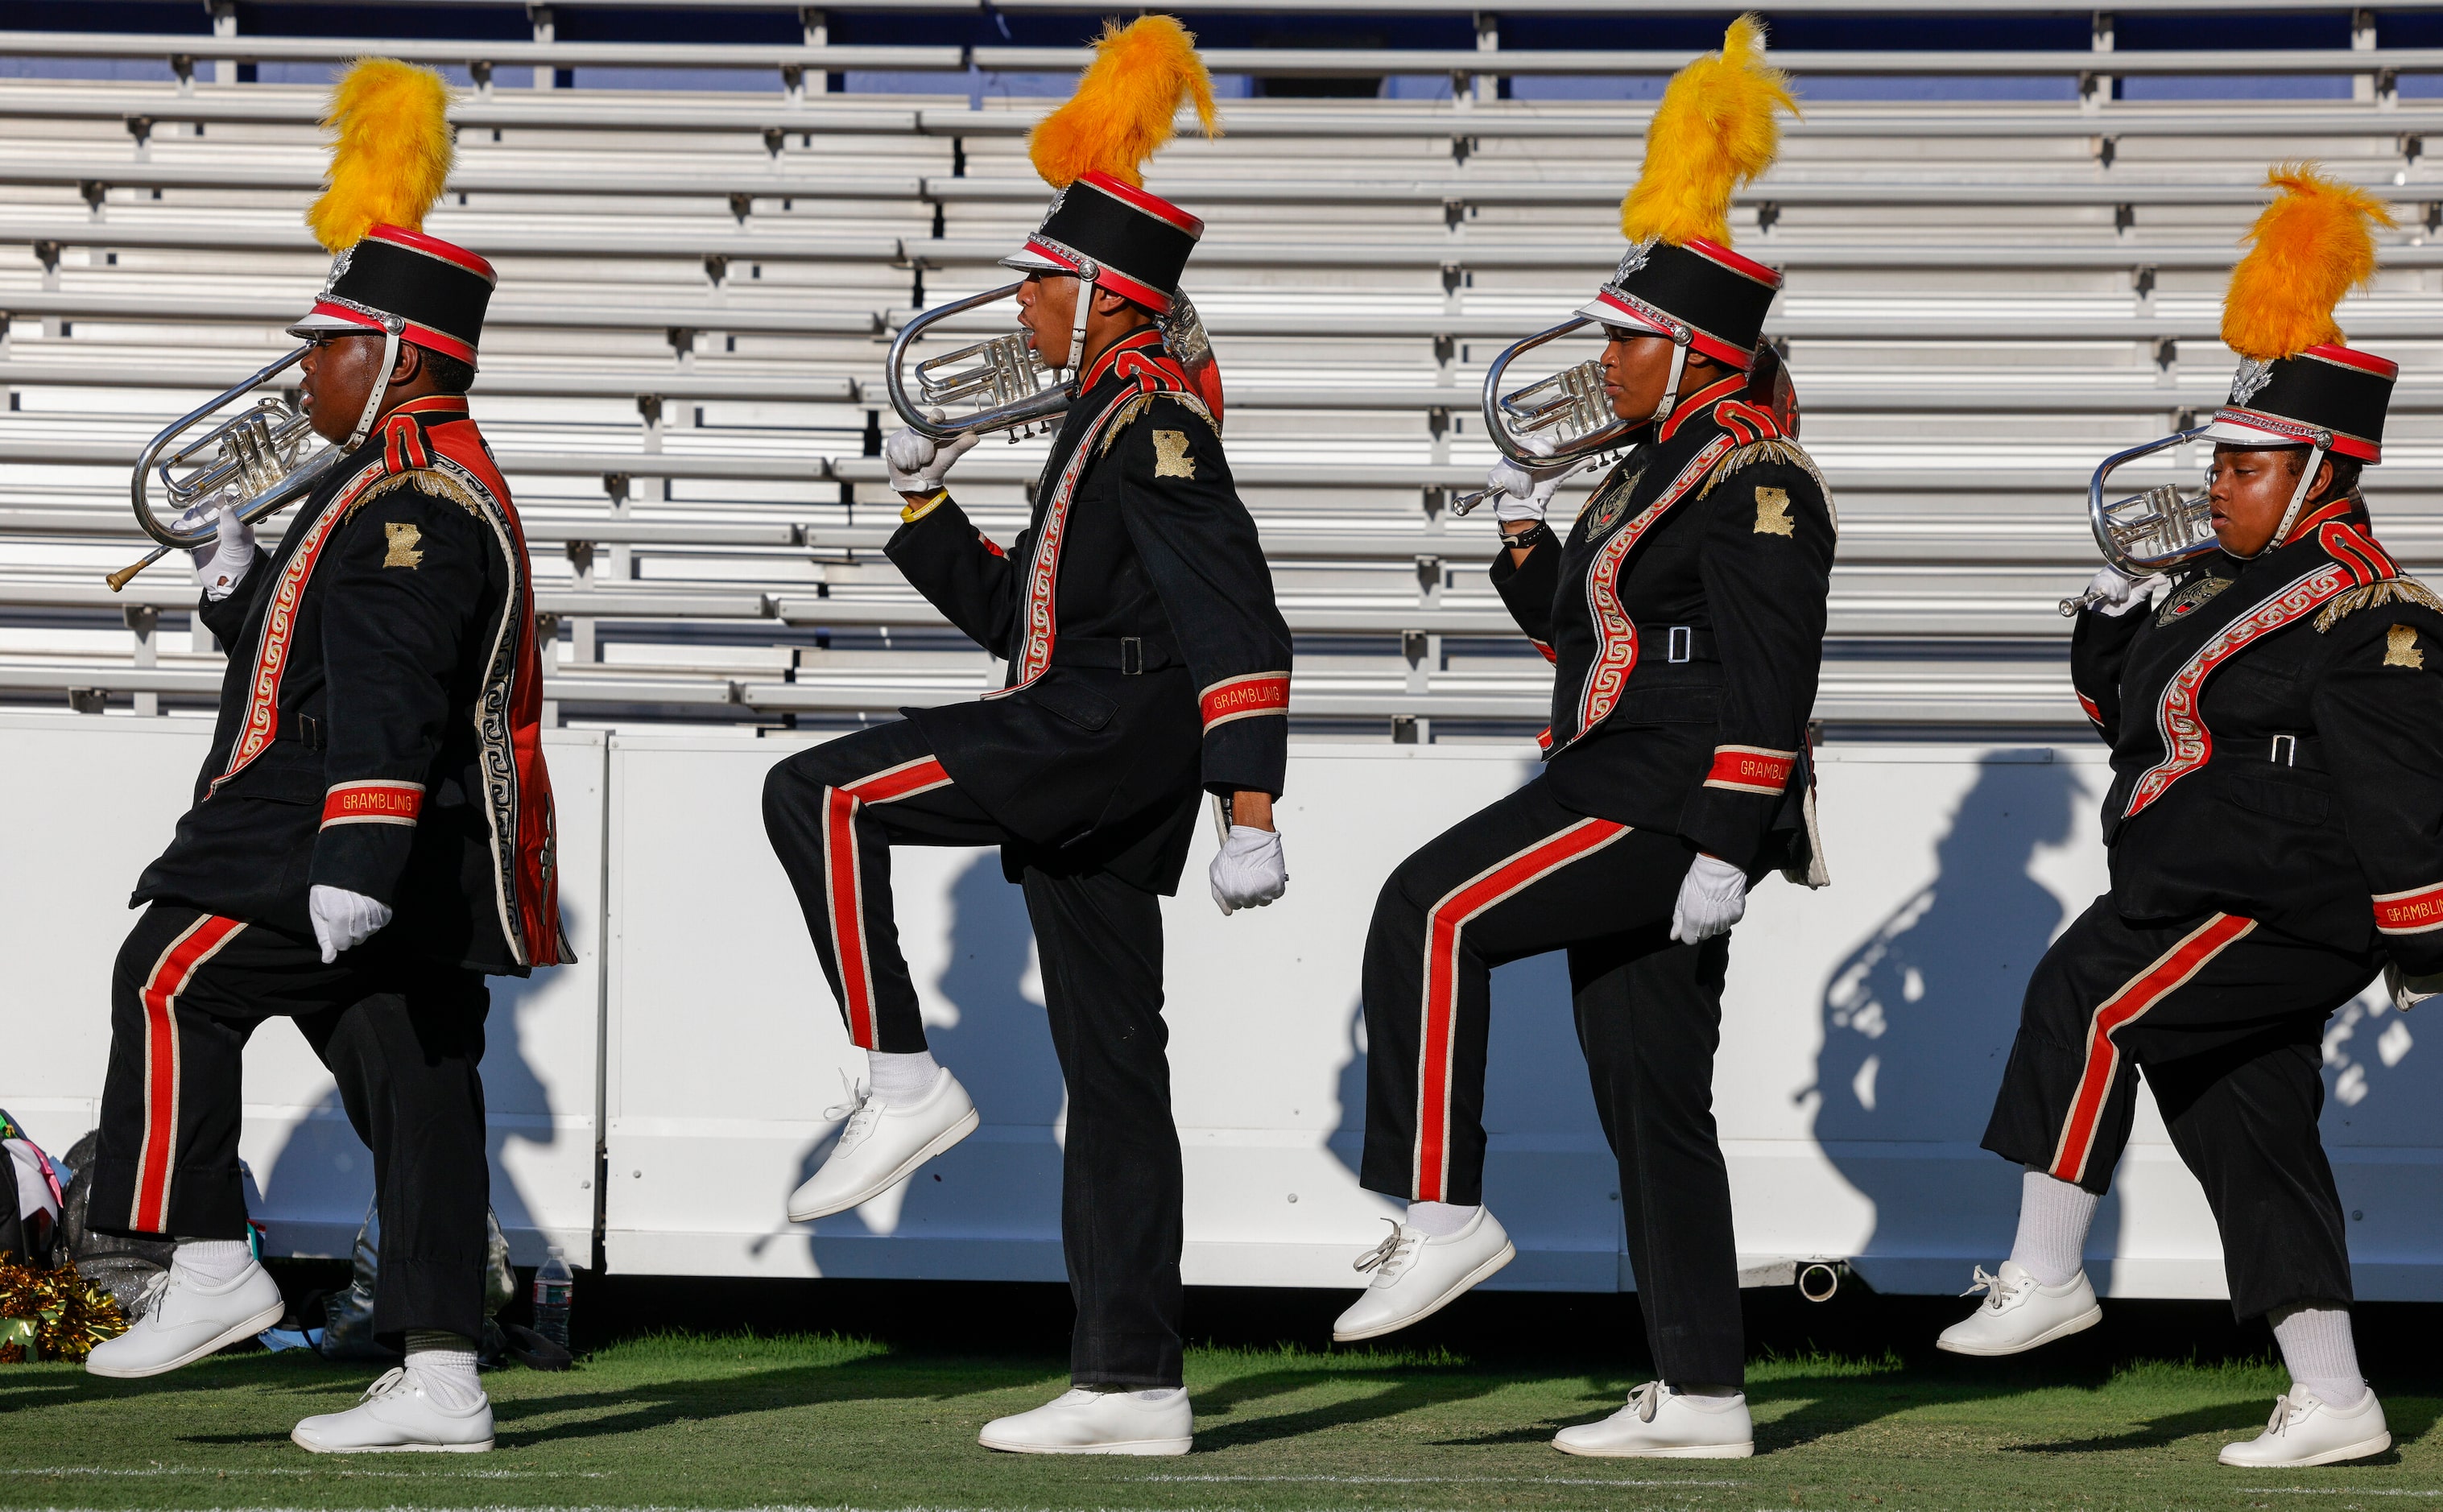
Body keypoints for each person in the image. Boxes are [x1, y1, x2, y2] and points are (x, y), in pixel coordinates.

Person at [760, 17, 1290, 1456]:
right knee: (1117, 1068)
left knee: (814, 795)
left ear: (1108, 297)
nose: (1021, 312)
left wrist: (1249, 802)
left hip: (1104, 732)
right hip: (1081, 711)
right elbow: (1025, 617)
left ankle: (900, 1077)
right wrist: (927, 510)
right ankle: (1135, 1382)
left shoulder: (1156, 424)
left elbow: (1237, 612)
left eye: (1042, 286)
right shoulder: (1100, 422)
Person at [1333, 18, 1830, 1460]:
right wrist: (1516, 537)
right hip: (1632, 766)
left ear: (1687, 353)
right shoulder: (1653, 470)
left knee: (1427, 910)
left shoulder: (1756, 477)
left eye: (1625, 339)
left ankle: (1436, 1205)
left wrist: (1729, 839)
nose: (1601, 360)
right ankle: (1704, 1394)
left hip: (1669, 784)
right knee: (1651, 1106)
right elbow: (1582, 629)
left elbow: (1766, 677)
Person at [81, 61, 565, 1456]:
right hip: (394, 841)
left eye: (328, 344)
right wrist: (241, 589)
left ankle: (211, 1261)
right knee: (417, 1089)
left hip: (346, 835)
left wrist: (355, 852)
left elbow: (396, 691)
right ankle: (442, 1376)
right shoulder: (391, 480)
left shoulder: (411, 498)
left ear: (399, 353)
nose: (304, 371)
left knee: (166, 976)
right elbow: (329, 658)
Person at [1943, 165, 2438, 1470]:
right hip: (2203, 879)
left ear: (2318, 470)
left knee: (2085, 995)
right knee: (2242, 1120)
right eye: (2217, 458)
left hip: (2283, 893)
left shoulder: (2370, 611)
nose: (2215, 482)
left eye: (2243, 463)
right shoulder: (2209, 587)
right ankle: (2332, 1394)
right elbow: (2129, 717)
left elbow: (2400, 781)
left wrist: (2421, 931)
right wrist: (2113, 613)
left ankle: (2043, 1269)